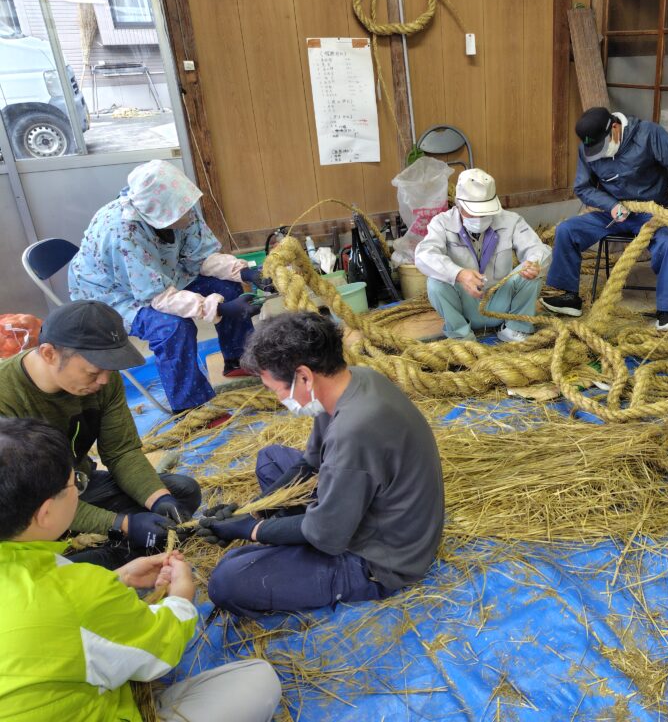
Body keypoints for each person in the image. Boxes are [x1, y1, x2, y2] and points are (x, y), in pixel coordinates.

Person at [0, 417, 281, 722]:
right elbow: (158, 652)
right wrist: (181, 599)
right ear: (45, 512)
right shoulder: (77, 591)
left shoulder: (45, 575)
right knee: (258, 680)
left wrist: (118, 578)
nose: (79, 491)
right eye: (76, 484)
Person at [197, 312, 444, 618]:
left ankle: (295, 557)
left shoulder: (354, 431)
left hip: (382, 557)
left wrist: (252, 530)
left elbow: (326, 533)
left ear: (304, 376)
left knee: (227, 580)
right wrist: (254, 510)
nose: (279, 398)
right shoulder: (355, 380)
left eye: (276, 389)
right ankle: (284, 541)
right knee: (271, 459)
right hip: (369, 506)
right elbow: (310, 463)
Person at [0, 300, 201, 569]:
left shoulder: (103, 380)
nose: (104, 380)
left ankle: (100, 555)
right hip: (28, 509)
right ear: (49, 354)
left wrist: (159, 500)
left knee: (182, 493)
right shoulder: (6, 396)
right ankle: (97, 558)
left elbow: (121, 451)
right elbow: (26, 501)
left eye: (110, 368)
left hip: (77, 486)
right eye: (93, 371)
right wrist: (123, 524)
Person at [68, 160, 273, 413]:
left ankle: (238, 359)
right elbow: (158, 296)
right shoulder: (122, 233)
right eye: (182, 212)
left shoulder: (179, 207)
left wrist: (243, 272)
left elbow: (200, 256)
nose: (189, 215)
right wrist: (220, 310)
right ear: (160, 214)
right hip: (114, 296)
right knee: (172, 327)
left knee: (228, 287)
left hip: (164, 272)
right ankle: (190, 408)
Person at [541, 106, 668, 330]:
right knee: (567, 230)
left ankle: (666, 312)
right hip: (613, 212)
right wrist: (611, 205)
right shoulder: (587, 148)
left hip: (653, 211)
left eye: (602, 146)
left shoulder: (648, 134)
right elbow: (583, 188)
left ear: (615, 128)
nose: (599, 153)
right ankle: (570, 297)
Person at [415, 168, 552, 342]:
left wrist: (534, 263)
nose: (479, 217)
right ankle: (461, 334)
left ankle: (516, 327)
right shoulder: (442, 223)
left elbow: (539, 249)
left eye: (485, 211)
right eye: (472, 211)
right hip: (465, 302)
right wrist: (459, 274)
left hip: (502, 301)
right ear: (459, 204)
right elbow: (424, 255)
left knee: (531, 274)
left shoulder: (511, 220)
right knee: (435, 282)